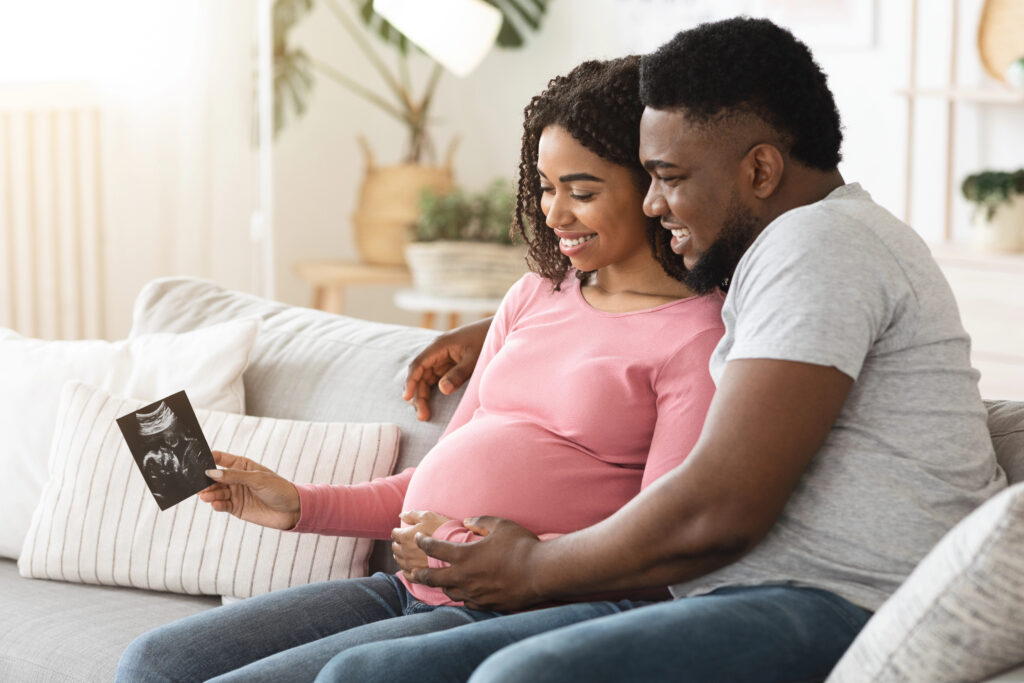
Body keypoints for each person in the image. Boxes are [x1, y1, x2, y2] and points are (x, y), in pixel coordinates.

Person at [322, 16, 1007, 683]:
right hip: (766, 596)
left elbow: (720, 507)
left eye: (669, 176)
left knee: (522, 674)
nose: (652, 204)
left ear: (761, 169)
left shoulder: (818, 245)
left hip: (837, 599)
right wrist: (497, 330)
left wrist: (531, 566)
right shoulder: (796, 249)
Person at [114, 55, 726, 683]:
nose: (554, 213)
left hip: (523, 610)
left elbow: (657, 547)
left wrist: (458, 548)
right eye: (545, 186)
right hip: (410, 587)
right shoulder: (536, 295)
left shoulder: (694, 337)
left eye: (583, 191)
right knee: (154, 663)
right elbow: (429, 487)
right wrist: (296, 503)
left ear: (652, 184)